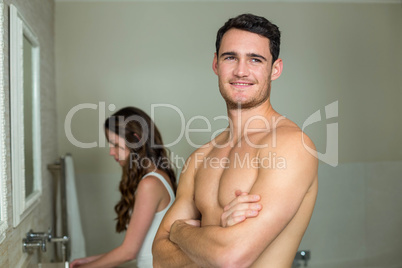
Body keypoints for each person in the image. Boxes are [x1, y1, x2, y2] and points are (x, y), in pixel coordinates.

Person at [152, 13, 318, 267]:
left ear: (275, 69)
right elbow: (160, 257)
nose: (241, 71)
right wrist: (219, 235)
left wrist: (178, 232)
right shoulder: (201, 157)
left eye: (255, 59)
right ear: (216, 65)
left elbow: (231, 257)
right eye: (230, 57)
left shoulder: (291, 145)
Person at [70, 106, 177, 268]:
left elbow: (129, 252)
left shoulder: (150, 184)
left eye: (114, 144)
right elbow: (140, 247)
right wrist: (90, 260)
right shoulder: (158, 177)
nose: (111, 152)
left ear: (136, 140)